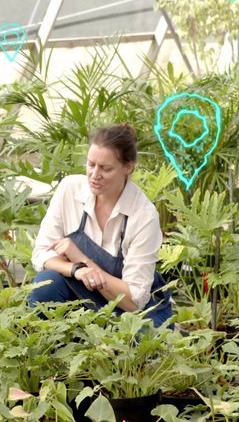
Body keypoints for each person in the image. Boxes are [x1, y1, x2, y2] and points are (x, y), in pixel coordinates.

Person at [28, 124, 173, 328]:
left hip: (132, 309)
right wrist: (76, 269)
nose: (95, 175)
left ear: (128, 167)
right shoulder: (69, 189)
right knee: (46, 285)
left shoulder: (143, 215)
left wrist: (81, 258)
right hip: (81, 290)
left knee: (139, 340)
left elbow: (133, 301)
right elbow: (42, 254)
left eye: (106, 168)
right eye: (91, 164)